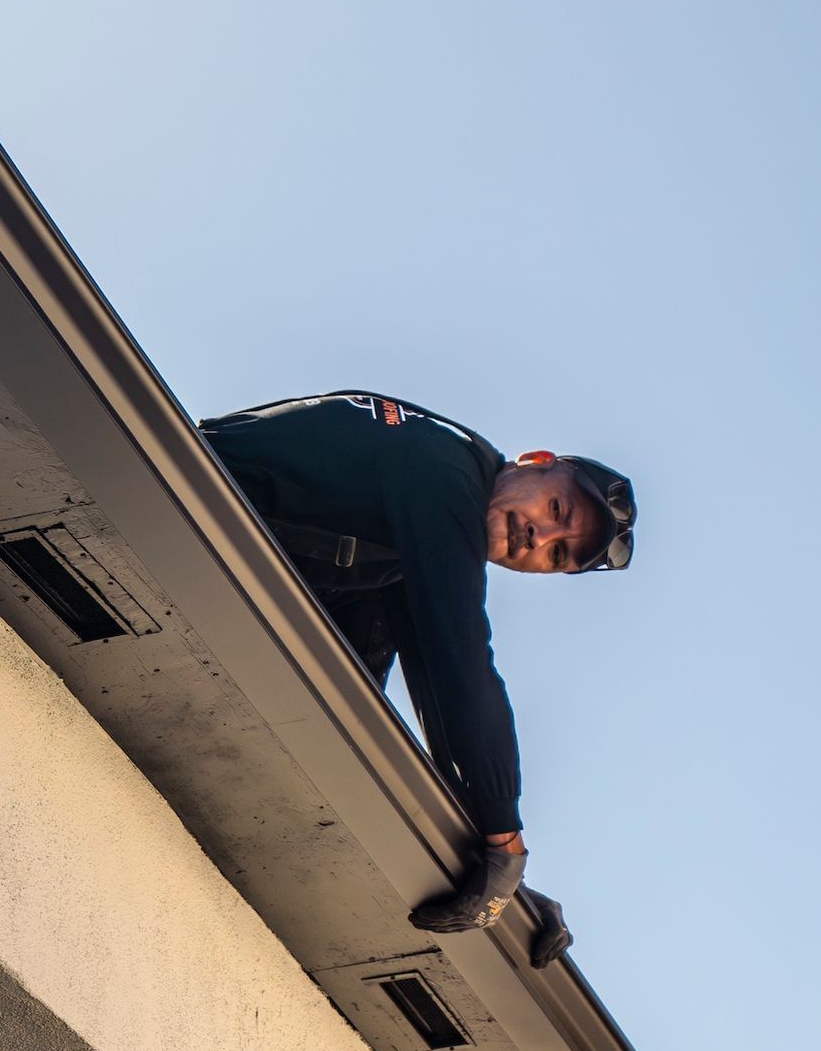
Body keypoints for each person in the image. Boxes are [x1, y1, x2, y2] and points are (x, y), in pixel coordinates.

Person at [198, 391, 636, 966]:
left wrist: (477, 846)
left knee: (354, 700)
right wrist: (505, 840)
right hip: (156, 483)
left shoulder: (422, 527)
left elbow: (433, 682)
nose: (538, 540)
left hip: (223, 564)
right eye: (556, 513)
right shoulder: (443, 471)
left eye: (556, 557)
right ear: (535, 460)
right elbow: (460, 659)